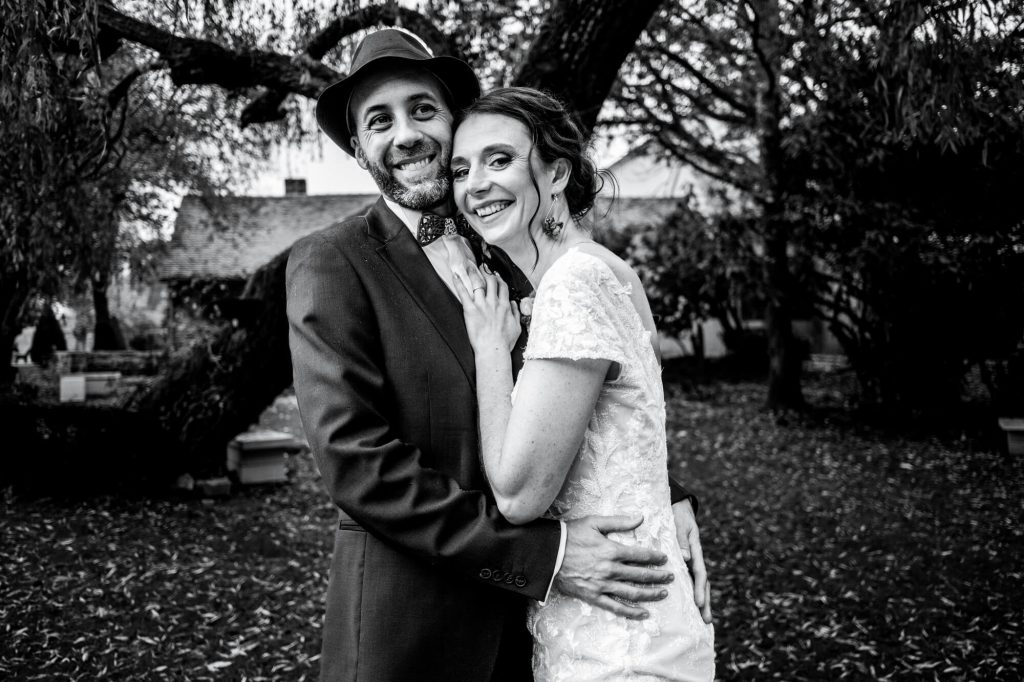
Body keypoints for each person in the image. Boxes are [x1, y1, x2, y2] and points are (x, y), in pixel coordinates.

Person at [287, 28, 710, 682]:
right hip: (410, 635)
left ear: (453, 122)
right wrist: (540, 556)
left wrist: (665, 493)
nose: (405, 134)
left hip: (526, 640)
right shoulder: (331, 262)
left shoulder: (503, 241)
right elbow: (357, 464)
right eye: (380, 120)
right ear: (360, 149)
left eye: (423, 110)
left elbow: (578, 383)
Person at [449, 87, 715, 680]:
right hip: (627, 612)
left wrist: (491, 349)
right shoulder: (608, 271)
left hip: (617, 643)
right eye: (462, 169)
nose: (475, 185)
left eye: (500, 160)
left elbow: (519, 496)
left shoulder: (573, 284)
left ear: (557, 170)